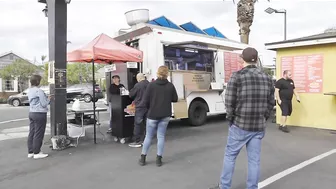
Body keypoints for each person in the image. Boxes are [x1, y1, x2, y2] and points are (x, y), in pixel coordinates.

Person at [211, 47, 274, 189]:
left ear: (242, 59)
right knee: (254, 161)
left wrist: (231, 118)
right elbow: (271, 102)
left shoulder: (237, 76)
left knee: (230, 156)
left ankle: (224, 186)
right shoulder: (267, 78)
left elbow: (229, 101)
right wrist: (264, 117)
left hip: (240, 124)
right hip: (258, 126)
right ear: (257, 60)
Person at [138, 66, 178, 167]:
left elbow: (145, 101)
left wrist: (148, 108)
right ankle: (158, 159)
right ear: (167, 74)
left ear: (157, 73)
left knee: (148, 136)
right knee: (161, 137)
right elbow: (175, 99)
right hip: (165, 115)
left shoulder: (151, 85)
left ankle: (143, 158)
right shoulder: (170, 86)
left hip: (152, 115)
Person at [27, 75, 52, 159]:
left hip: (32, 112)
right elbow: (44, 104)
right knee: (39, 133)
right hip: (40, 113)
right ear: (38, 82)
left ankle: (31, 151)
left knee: (32, 132)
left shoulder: (30, 91)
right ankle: (37, 152)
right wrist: (49, 99)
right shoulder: (39, 91)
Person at [128, 73, 149, 148]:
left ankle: (138, 141)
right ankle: (146, 140)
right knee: (146, 124)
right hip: (148, 107)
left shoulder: (138, 85)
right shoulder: (149, 84)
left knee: (138, 124)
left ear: (138, 78)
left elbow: (131, 95)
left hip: (140, 107)